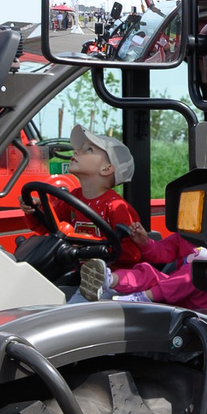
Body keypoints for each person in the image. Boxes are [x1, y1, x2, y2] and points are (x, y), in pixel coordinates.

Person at [56, 124, 148, 297]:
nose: (76, 152)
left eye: (88, 149)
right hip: (82, 276)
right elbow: (51, 225)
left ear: (106, 169)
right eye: (78, 149)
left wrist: (91, 249)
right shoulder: (73, 199)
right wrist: (34, 210)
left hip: (111, 281)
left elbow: (131, 254)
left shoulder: (116, 207)